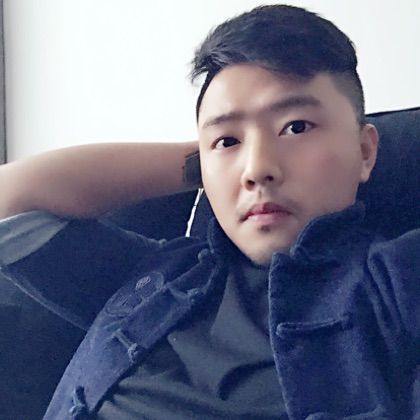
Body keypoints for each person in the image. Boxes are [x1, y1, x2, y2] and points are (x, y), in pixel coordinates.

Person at [0, 4, 418, 419]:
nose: (256, 169)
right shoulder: (156, 275)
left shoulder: (395, 282)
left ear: (365, 151)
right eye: (228, 141)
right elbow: (9, 199)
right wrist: (205, 157)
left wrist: (224, 146)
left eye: (296, 127)